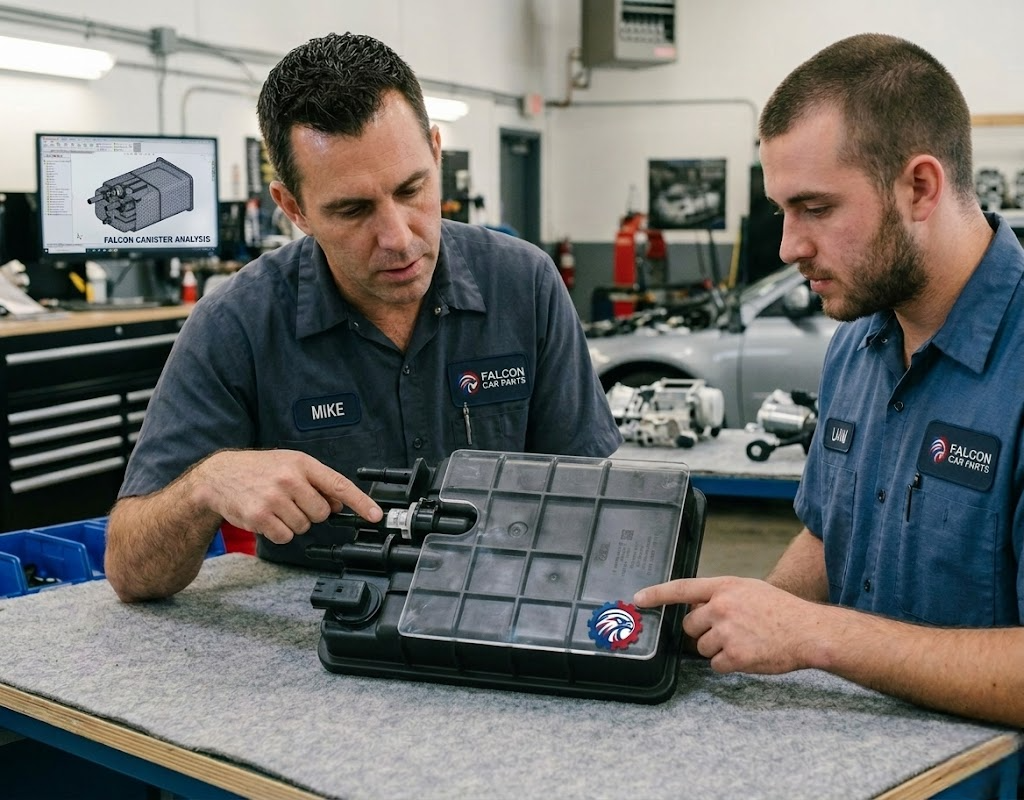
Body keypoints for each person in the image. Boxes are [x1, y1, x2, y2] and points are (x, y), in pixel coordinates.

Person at [105, 32, 621, 602]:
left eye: (412, 189)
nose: (398, 239)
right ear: (293, 208)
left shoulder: (524, 285)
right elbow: (132, 572)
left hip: (504, 616)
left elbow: (596, 503)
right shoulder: (237, 324)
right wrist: (205, 482)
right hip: (317, 647)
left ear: (435, 151)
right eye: (352, 210)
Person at [636, 33, 1024, 728]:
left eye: (816, 209)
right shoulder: (855, 344)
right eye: (782, 211)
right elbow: (828, 539)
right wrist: (737, 622)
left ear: (920, 187)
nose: (789, 247)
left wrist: (813, 636)